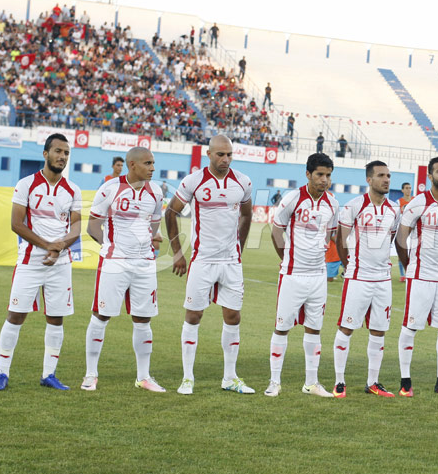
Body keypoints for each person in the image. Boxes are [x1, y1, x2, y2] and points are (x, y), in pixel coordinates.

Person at [0, 134, 82, 391]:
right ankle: (2, 373)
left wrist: (59, 247)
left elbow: (75, 227)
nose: (62, 156)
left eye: (66, 152)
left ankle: (49, 374)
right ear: (45, 154)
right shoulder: (26, 184)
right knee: (16, 315)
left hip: (61, 264)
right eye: (58, 151)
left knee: (56, 318)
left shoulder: (72, 189)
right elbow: (16, 224)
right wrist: (47, 246)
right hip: (29, 262)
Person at [166, 135, 255, 395]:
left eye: (229, 154)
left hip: (231, 263)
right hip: (202, 261)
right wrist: (177, 253)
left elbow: (247, 215)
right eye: (220, 154)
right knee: (194, 315)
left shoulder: (243, 181)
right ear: (209, 154)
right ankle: (187, 378)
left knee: (233, 316)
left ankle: (230, 377)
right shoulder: (193, 181)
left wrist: (240, 245)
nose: (225, 159)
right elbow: (170, 212)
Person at [81, 147, 165, 393]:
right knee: (102, 315)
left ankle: (143, 377)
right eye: (147, 163)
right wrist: (111, 247)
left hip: (144, 265)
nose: (152, 168)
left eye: (153, 163)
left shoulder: (156, 192)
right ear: (132, 164)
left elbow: (153, 228)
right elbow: (92, 226)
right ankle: (90, 374)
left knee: (143, 318)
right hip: (115, 262)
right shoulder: (109, 189)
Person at [267, 153, 339, 397]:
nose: (324, 180)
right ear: (308, 174)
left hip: (318, 277)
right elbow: (276, 233)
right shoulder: (293, 198)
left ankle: (311, 383)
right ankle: (274, 381)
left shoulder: (332, 204)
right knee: (282, 327)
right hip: (293, 274)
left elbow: (330, 237)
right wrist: (288, 259)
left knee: (314, 328)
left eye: (328, 175)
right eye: (319, 175)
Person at [395, 156, 438, 397]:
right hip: (420, 276)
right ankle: (405, 382)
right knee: (411, 327)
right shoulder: (418, 203)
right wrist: (409, 266)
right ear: (430, 176)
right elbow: (400, 239)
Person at [332, 161, 400, 398]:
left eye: (389, 175)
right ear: (369, 180)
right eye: (381, 175)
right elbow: (340, 240)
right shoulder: (354, 206)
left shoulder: (394, 209)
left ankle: (373, 382)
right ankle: (340, 381)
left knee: (379, 331)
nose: (386, 180)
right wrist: (347, 264)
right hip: (358, 278)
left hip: (383, 280)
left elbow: (391, 239)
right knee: (347, 327)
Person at [397, 182, 412, 282]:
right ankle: (403, 275)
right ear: (402, 190)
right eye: (406, 188)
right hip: (402, 231)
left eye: (410, 188)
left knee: (412, 253)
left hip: (413, 232)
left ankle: (410, 273)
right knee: (401, 252)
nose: (408, 190)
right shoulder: (398, 202)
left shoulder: (415, 201)